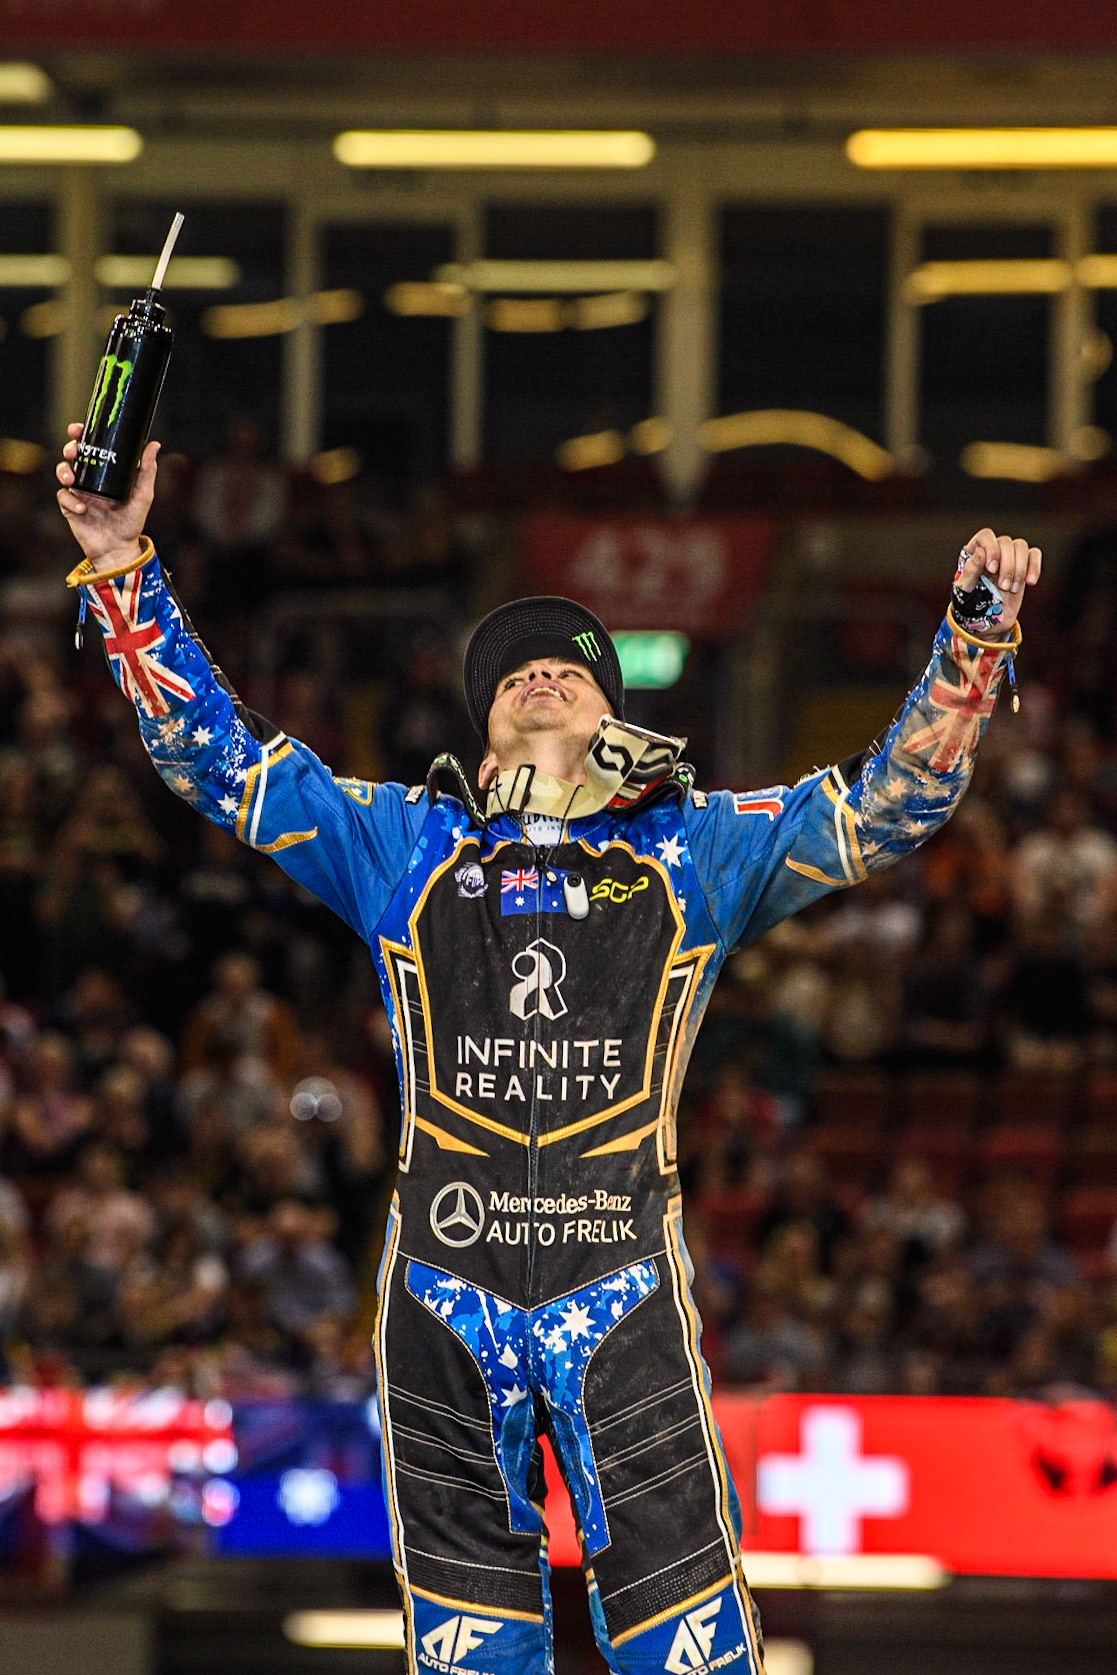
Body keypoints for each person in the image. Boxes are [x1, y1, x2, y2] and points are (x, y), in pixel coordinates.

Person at [56, 426, 1040, 1675]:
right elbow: (220, 761)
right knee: (471, 1661)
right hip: (437, 1305)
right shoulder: (404, 841)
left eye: (569, 668)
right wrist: (119, 558)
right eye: (511, 671)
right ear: (477, 743)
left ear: (613, 715)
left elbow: (888, 804)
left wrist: (971, 644)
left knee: (692, 1653)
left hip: (621, 1293)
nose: (539, 675)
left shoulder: (696, 847)